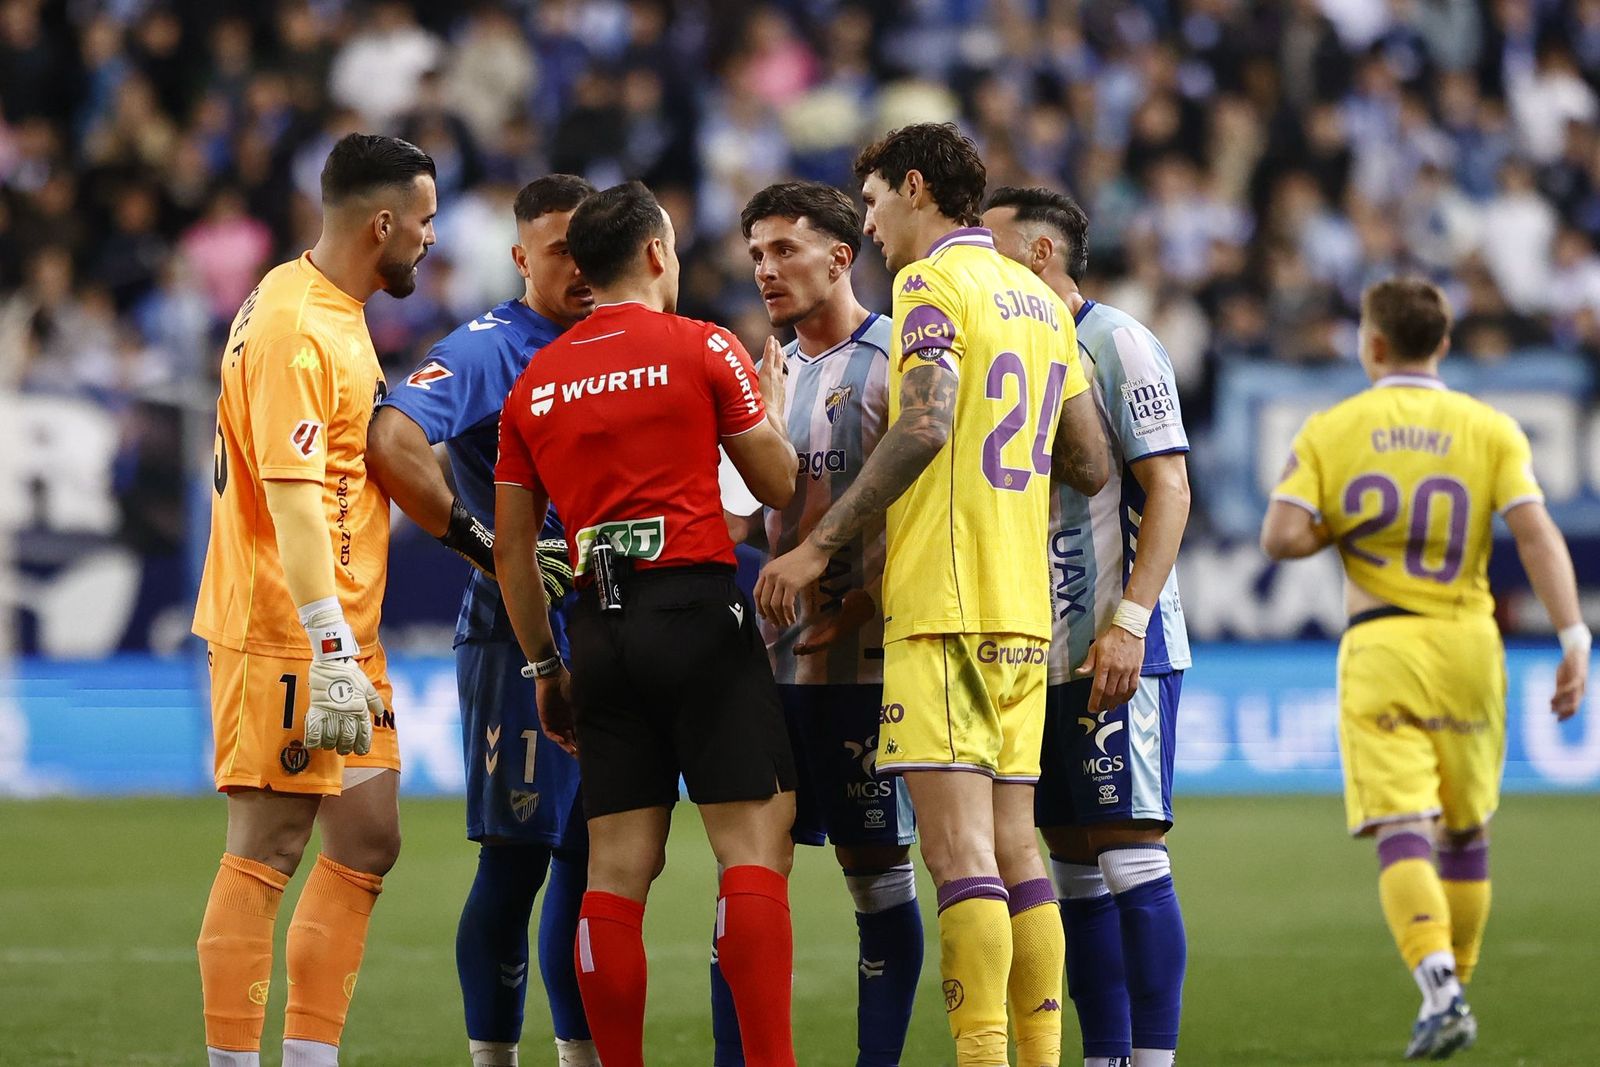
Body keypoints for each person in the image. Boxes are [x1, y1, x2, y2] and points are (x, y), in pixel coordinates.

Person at [758, 123, 1111, 1067]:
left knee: (959, 857)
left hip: (943, 606)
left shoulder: (929, 285)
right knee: (1017, 850)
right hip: (1024, 611)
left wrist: (817, 545)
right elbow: (1088, 459)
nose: (871, 225)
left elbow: (922, 421)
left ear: (915, 187)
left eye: (874, 202)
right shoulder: (1040, 299)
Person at [493, 180, 802, 1067]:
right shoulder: (703, 346)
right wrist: (773, 413)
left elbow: (514, 551)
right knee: (751, 848)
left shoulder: (533, 385)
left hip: (599, 629)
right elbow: (778, 484)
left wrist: (545, 666)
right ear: (658, 253)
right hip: (699, 611)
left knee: (616, 871)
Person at [1260, 277, 1590, 1060]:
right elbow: (1536, 533)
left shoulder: (1332, 427)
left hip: (1383, 645)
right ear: (1442, 343)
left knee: (1401, 822)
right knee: (1466, 828)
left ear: (1372, 344)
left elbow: (1280, 536)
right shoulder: (1489, 427)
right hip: (1469, 644)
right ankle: (1455, 988)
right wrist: (1574, 634)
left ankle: (1439, 988)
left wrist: (1336, 529)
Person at [190, 133, 436, 1067]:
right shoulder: (298, 326)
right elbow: (294, 501)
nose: (430, 238)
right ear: (383, 223)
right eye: (423, 221)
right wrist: (329, 641)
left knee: (368, 837)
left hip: (341, 630)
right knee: (269, 845)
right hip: (286, 628)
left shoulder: (330, 305)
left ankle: (310, 1059)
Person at [366, 174, 598, 1067]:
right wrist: (488, 548)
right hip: (515, 637)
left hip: (617, 632)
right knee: (517, 860)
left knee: (593, 861)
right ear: (520, 258)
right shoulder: (489, 348)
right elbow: (392, 438)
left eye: (592, 248)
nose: (580, 267)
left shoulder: (625, 340)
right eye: (560, 251)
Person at [707, 180, 922, 1067]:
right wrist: (745, 434)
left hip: (871, 671)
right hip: (769, 673)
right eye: (756, 253)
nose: (765, 268)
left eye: (784, 249)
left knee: (877, 879)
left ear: (840, 256)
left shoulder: (901, 359)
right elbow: (734, 523)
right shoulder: (762, 372)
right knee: (749, 878)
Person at [984, 187, 1192, 1067]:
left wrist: (1130, 621)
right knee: (1070, 866)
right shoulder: (1007, 344)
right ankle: (1104, 1053)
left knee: (1130, 854)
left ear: (1041, 254)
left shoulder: (1117, 341)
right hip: (1038, 651)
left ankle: (1153, 1059)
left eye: (990, 243)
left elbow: (1170, 487)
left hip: (1116, 642)